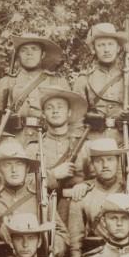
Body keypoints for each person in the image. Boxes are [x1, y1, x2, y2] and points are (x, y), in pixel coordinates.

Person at [72, 22, 129, 143]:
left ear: (118, 48)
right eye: (101, 45)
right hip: (93, 140)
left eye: (110, 44)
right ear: (94, 49)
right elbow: (76, 118)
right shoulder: (84, 79)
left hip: (125, 139)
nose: (106, 50)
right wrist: (78, 143)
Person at [68, 138, 129, 257]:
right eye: (99, 161)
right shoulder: (82, 196)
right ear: (92, 164)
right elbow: (75, 245)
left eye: (110, 159)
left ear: (118, 161)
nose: (105, 165)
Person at [0, 33, 68, 145]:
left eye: (34, 49)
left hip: (48, 142)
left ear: (42, 54)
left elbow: (70, 119)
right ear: (18, 55)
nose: (29, 53)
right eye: (24, 50)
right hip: (14, 142)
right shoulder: (7, 82)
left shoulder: (57, 82)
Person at [33, 87, 89, 224]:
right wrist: (53, 175)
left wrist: (86, 185)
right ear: (43, 114)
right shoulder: (34, 148)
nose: (55, 111)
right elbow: (26, 183)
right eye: (49, 108)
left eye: (60, 107)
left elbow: (98, 178)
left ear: (69, 112)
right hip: (44, 211)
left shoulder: (84, 145)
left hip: (78, 210)